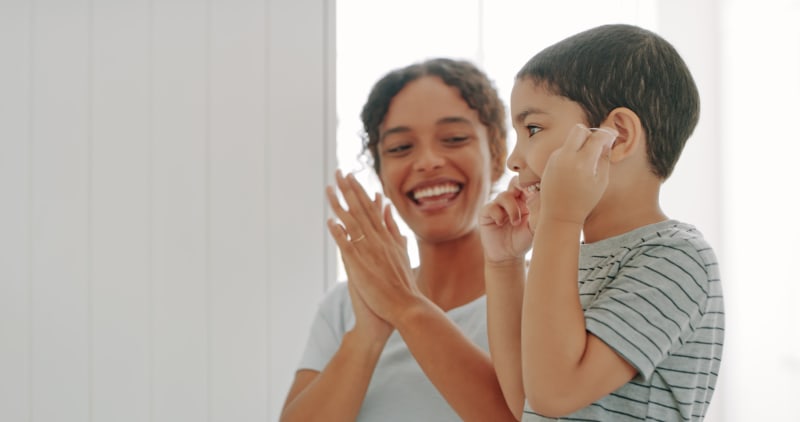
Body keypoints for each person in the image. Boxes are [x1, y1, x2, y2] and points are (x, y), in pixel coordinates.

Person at [479, 24, 724, 421]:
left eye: (533, 129)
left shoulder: (677, 258)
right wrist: (504, 264)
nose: (513, 160)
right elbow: (524, 399)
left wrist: (559, 219)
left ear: (617, 136)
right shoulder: (566, 258)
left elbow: (555, 393)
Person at [280, 58, 517, 421]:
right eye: (400, 148)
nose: (427, 161)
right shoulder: (343, 307)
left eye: (454, 139)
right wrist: (367, 335)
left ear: (497, 155)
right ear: (381, 175)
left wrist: (404, 305)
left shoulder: (542, 295)